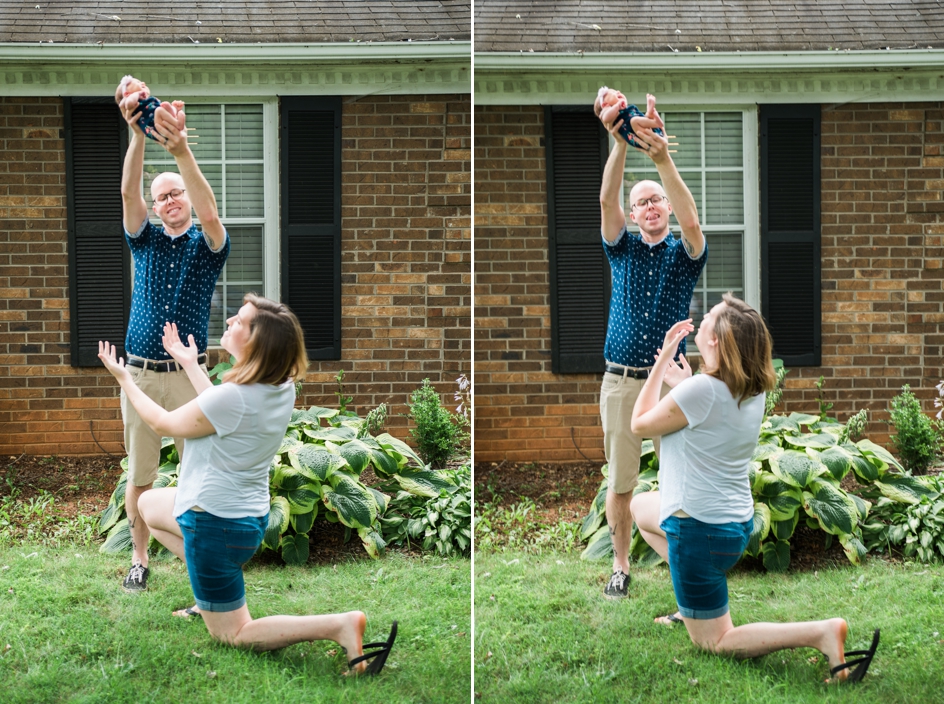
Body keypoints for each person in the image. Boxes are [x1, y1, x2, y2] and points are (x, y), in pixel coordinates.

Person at [97, 294, 397, 674]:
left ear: (258, 343)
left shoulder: (234, 397)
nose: (228, 324)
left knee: (233, 635)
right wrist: (190, 365)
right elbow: (221, 408)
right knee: (148, 505)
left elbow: (163, 423)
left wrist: (125, 378)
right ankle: (208, 592)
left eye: (238, 321)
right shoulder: (279, 386)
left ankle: (339, 625)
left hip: (214, 525)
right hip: (243, 518)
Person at [629, 295, 879, 683]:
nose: (702, 316)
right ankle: (689, 596)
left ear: (715, 340)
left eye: (709, 316)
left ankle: (821, 632)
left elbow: (640, 424)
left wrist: (661, 361)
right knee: (641, 510)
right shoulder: (749, 387)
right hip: (734, 523)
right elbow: (708, 405)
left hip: (699, 530)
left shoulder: (701, 392)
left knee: (714, 642)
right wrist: (685, 384)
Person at [117, 90, 230, 592]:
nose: (169, 201)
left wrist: (181, 150)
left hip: (190, 376)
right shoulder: (142, 238)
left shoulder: (209, 248)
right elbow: (127, 196)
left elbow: (210, 216)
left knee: (195, 477)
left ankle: (193, 559)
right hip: (140, 373)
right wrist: (136, 135)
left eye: (175, 193)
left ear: (187, 196)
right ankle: (139, 558)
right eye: (161, 196)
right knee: (140, 475)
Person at [597, 93, 707, 599]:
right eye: (640, 202)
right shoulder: (620, 249)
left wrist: (662, 159)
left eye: (655, 199)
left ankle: (680, 561)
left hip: (670, 384)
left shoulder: (685, 256)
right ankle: (620, 567)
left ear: (665, 203)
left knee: (678, 484)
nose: (648, 207)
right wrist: (619, 142)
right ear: (635, 213)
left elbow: (692, 223)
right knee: (621, 483)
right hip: (620, 381)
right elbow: (606, 203)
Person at [115, 75, 185, 143]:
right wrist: (137, 94)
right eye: (137, 82)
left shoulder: (149, 101)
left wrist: (172, 108)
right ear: (127, 94)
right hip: (154, 128)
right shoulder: (132, 101)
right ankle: (178, 124)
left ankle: (175, 112)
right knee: (159, 110)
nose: (143, 83)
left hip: (161, 121)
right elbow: (128, 104)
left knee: (164, 106)